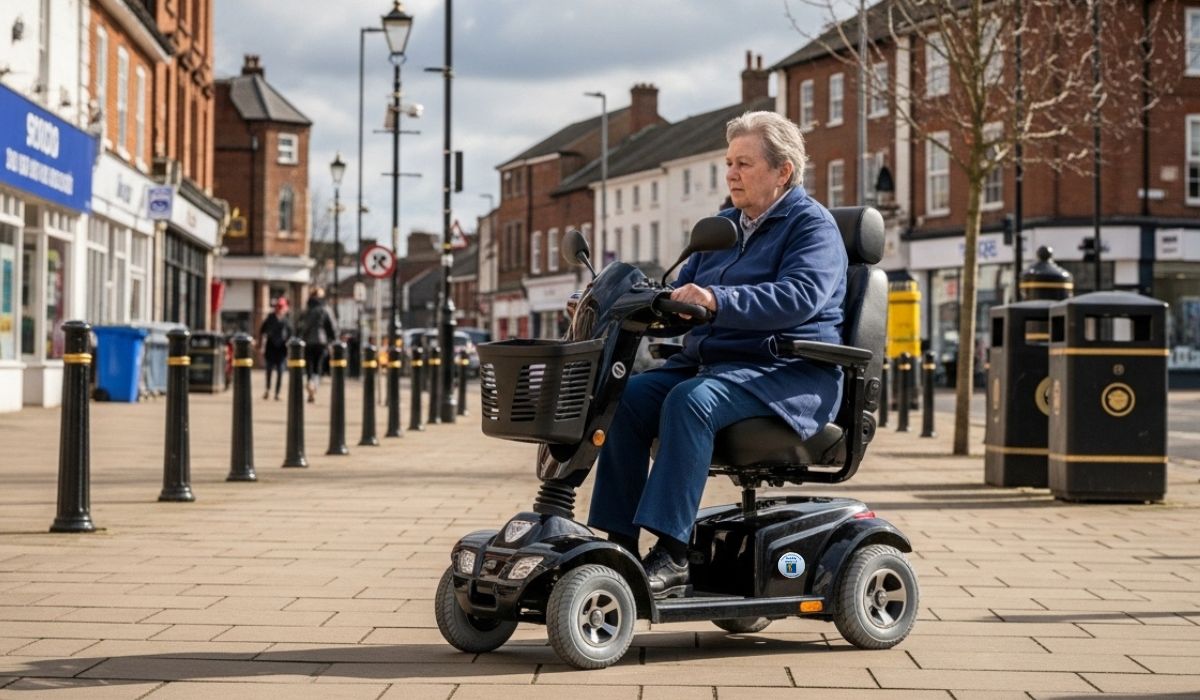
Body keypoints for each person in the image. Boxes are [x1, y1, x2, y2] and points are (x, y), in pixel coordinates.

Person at [586, 111, 848, 599]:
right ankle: (616, 546)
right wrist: (636, 303)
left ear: (783, 171)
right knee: (625, 397)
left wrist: (716, 301)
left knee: (691, 401)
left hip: (788, 370)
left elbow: (799, 297)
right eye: (729, 163)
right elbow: (686, 294)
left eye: (744, 163)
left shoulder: (813, 227)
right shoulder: (722, 228)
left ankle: (672, 552)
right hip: (718, 366)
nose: (731, 174)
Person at [298, 287, 337, 403]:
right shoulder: (326, 309)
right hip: (322, 342)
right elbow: (332, 327)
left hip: (308, 342)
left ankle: (310, 381)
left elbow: (300, 326)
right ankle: (314, 384)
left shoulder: (306, 310)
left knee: (309, 366)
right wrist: (334, 341)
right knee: (318, 367)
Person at [258, 296, 292, 400]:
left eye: (282, 307)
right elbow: (262, 331)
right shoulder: (270, 318)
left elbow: (291, 333)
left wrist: (288, 344)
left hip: (281, 349)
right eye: (279, 307)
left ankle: (277, 393)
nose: (280, 309)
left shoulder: (286, 320)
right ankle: (268, 389)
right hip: (271, 348)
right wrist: (261, 345)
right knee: (269, 370)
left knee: (281, 371)